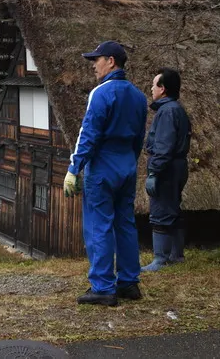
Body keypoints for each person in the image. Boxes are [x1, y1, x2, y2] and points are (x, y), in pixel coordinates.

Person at [63, 40, 148, 306]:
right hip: (127, 165)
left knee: (98, 225)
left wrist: (74, 168)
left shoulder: (100, 93)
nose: (93, 65)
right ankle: (129, 283)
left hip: (102, 167)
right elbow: (139, 137)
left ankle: (102, 287)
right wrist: (130, 162)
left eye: (96, 60)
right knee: (125, 224)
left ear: (111, 61)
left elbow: (89, 133)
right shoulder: (138, 96)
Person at [142, 67, 192, 271]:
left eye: (154, 85)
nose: (151, 89)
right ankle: (176, 255)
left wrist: (154, 171)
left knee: (161, 211)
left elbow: (163, 146)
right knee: (173, 209)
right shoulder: (177, 109)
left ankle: (160, 259)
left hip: (167, 168)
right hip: (178, 166)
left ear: (162, 89)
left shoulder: (167, 111)